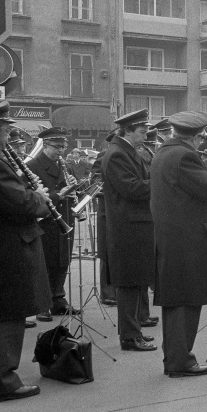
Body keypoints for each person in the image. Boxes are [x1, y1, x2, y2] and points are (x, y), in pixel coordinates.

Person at [0, 97, 51, 403]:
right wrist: (40, 198)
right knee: (7, 314)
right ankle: (1, 381)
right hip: (5, 249)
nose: (9, 135)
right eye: (6, 129)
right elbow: (19, 203)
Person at [151, 111, 207, 378]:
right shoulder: (184, 155)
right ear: (196, 137)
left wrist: (203, 166)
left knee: (176, 302)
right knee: (187, 301)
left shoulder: (164, 152)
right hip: (189, 239)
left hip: (173, 237)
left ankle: (175, 357)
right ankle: (180, 361)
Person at [102, 109, 156, 353]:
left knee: (135, 283)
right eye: (142, 132)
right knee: (128, 284)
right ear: (128, 130)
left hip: (135, 225)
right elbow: (131, 189)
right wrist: (161, 182)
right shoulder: (116, 154)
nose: (145, 137)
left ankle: (134, 332)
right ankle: (130, 337)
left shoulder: (126, 151)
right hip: (128, 227)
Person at [27, 127, 79, 321]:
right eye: (57, 147)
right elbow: (33, 195)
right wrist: (60, 193)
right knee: (46, 261)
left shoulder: (64, 165)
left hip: (64, 216)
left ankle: (58, 299)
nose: (61, 151)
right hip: (46, 220)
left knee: (63, 259)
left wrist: (75, 191)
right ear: (45, 145)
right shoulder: (33, 165)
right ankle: (43, 304)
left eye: (63, 146)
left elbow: (72, 189)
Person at [91, 131, 117, 307]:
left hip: (119, 212)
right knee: (108, 254)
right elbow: (94, 183)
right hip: (107, 212)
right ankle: (107, 293)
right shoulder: (104, 156)